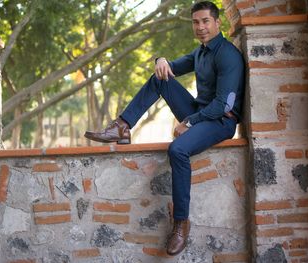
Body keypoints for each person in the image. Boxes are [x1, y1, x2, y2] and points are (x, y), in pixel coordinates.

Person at [84, 1, 245, 256]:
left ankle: (181, 223)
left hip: (219, 121)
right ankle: (122, 126)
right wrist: (160, 59)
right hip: (199, 113)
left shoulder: (227, 54)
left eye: (205, 21)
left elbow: (224, 103)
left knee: (178, 150)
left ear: (217, 23)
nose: (200, 27)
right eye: (196, 22)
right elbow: (170, 66)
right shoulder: (201, 52)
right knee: (161, 78)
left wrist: (189, 123)